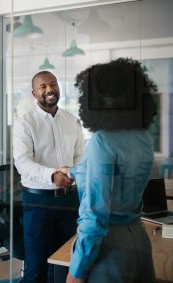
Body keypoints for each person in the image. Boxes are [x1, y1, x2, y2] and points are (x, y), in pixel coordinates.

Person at [64, 58, 157, 283]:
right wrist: (74, 171)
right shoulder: (143, 138)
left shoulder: (101, 141)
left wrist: (75, 272)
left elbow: (95, 217)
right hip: (138, 240)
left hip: (109, 249)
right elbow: (118, 176)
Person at [13, 70, 84, 283]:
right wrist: (53, 176)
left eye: (53, 84)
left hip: (70, 200)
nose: (49, 89)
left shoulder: (72, 121)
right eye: (43, 86)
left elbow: (80, 155)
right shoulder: (25, 123)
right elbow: (22, 162)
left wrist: (73, 174)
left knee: (67, 261)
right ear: (34, 93)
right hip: (38, 202)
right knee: (36, 266)